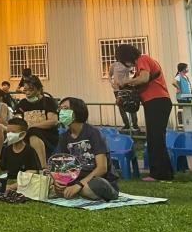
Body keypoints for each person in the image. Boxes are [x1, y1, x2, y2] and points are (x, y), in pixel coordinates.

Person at [115, 44, 173, 182]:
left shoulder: (143, 59)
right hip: (154, 102)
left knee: (155, 138)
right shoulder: (140, 65)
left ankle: (159, 174)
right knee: (155, 138)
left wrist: (127, 82)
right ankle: (164, 172)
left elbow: (144, 78)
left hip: (157, 101)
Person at [54, 97, 119, 201]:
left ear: (77, 111)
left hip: (98, 180)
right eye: (60, 109)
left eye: (65, 108)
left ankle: (80, 192)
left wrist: (79, 185)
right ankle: (80, 193)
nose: (61, 112)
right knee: (53, 184)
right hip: (77, 181)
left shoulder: (93, 133)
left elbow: (102, 168)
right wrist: (60, 181)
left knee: (97, 184)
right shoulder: (63, 137)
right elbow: (66, 167)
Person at [0, 117, 42, 190]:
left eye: (13, 132)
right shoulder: (7, 150)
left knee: (27, 178)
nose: (9, 134)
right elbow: (2, 167)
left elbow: (37, 171)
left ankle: (6, 187)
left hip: (23, 181)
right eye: (8, 132)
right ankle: (7, 187)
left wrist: (25, 175)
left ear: (22, 134)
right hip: (9, 179)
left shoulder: (29, 151)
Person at [13, 75, 58, 167]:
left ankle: (42, 167)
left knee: (33, 132)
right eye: (25, 90)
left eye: (31, 89)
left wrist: (32, 126)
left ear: (39, 89)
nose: (28, 93)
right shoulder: (22, 103)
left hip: (47, 134)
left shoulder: (48, 101)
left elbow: (53, 121)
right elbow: (17, 120)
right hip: (26, 133)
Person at [108, 59, 141, 133]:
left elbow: (134, 67)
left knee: (131, 105)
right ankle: (126, 124)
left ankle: (135, 125)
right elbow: (109, 75)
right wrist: (111, 83)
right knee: (121, 106)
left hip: (127, 87)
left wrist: (131, 80)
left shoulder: (127, 64)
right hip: (117, 89)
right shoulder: (113, 65)